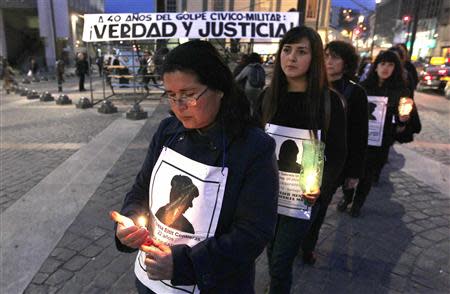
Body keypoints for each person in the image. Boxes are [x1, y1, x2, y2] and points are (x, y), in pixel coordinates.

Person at [112, 40, 278, 294]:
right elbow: (142, 188)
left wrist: (183, 263)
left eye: (189, 95)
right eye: (171, 95)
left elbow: (252, 233)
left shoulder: (253, 148)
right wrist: (130, 223)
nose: (179, 107)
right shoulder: (168, 131)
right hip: (152, 283)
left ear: (219, 88)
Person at [257, 26, 347, 294]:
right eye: (287, 50)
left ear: (315, 58)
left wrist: (321, 187)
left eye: (301, 52)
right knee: (272, 249)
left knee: (282, 258)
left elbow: (339, 152)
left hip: (303, 200)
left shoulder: (329, 102)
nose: (291, 58)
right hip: (267, 194)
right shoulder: (267, 98)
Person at [300, 40, 369, 264]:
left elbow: (359, 136)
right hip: (304, 156)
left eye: (335, 57)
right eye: (326, 55)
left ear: (346, 63)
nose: (329, 61)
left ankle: (307, 246)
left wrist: (354, 173)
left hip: (333, 162)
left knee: (318, 207)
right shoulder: (308, 85)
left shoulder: (355, 92)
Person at [348, 50, 411, 217]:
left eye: (390, 65)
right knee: (351, 169)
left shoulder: (401, 91)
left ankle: (358, 204)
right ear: (375, 67)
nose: (386, 68)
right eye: (382, 64)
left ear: (395, 68)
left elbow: (401, 122)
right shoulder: (363, 87)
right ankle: (347, 197)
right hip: (360, 136)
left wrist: (402, 119)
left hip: (382, 139)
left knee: (367, 174)